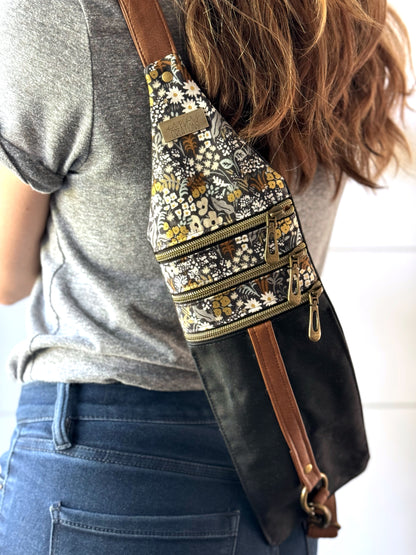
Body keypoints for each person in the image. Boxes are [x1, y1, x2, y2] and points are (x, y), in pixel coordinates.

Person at [0, 0, 410, 553]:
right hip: (280, 471)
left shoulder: (69, 14)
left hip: (106, 468)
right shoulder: (342, 19)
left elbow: (8, 276)